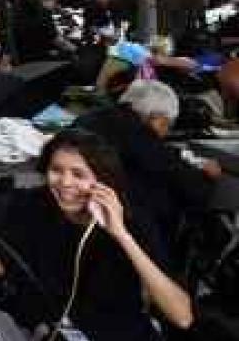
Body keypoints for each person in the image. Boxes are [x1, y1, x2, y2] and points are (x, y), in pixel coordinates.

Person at [0, 129, 193, 340]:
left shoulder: (132, 220)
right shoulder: (32, 206)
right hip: (47, 327)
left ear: (103, 181)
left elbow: (182, 316)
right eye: (56, 170)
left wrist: (121, 235)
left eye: (79, 175)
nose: (65, 183)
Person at [74, 79, 217, 242]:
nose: (165, 133)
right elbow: (191, 188)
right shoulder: (139, 135)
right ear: (156, 118)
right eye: (167, 125)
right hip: (119, 229)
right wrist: (207, 176)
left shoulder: (90, 118)